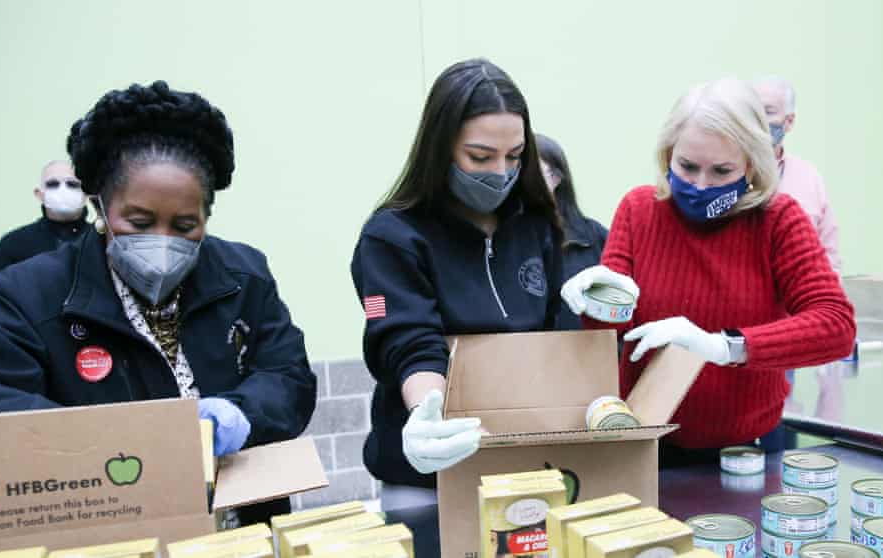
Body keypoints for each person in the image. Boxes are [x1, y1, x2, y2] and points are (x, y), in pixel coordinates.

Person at [0, 81, 316, 524]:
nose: (162, 243)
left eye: (185, 225)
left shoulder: (244, 275)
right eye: (139, 222)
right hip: (107, 527)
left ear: (207, 216)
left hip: (240, 528)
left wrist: (240, 412)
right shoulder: (29, 294)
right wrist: (108, 441)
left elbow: (288, 376)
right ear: (100, 207)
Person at [561, 78, 855, 467]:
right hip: (648, 442)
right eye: (687, 166)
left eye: (721, 170)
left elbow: (835, 327)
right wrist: (595, 300)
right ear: (668, 154)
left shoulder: (777, 221)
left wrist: (724, 347)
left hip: (747, 450)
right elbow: (614, 329)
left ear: (752, 163)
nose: (701, 185)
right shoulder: (639, 211)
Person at [351, 59, 564, 511]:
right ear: (440, 147)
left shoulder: (535, 226)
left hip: (522, 463)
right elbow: (408, 339)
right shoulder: (391, 237)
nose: (501, 172)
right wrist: (428, 416)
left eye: (515, 155)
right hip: (426, 477)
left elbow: (552, 339)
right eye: (480, 157)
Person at [753, 76, 841, 273]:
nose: (758, 120)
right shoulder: (723, 172)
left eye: (768, 111)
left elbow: (829, 257)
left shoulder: (809, 178)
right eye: (752, 111)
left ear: (789, 121)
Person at [536, 133, 607, 330]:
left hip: (587, 355)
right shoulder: (497, 239)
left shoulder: (594, 238)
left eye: (534, 173)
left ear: (556, 179)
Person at [0, 160, 92, 273]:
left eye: (72, 184)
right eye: (53, 184)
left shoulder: (101, 240)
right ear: (39, 194)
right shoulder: (13, 244)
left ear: (87, 193)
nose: (63, 190)